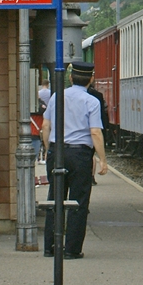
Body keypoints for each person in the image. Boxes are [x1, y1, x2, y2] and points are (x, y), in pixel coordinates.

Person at [40, 60, 108, 259]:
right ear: (91, 79)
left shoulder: (56, 97)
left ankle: (50, 246)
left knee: (55, 197)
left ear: (70, 78)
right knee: (78, 201)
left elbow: (45, 126)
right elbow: (95, 132)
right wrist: (102, 159)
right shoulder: (92, 102)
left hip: (57, 151)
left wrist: (48, 150)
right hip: (79, 155)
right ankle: (71, 249)